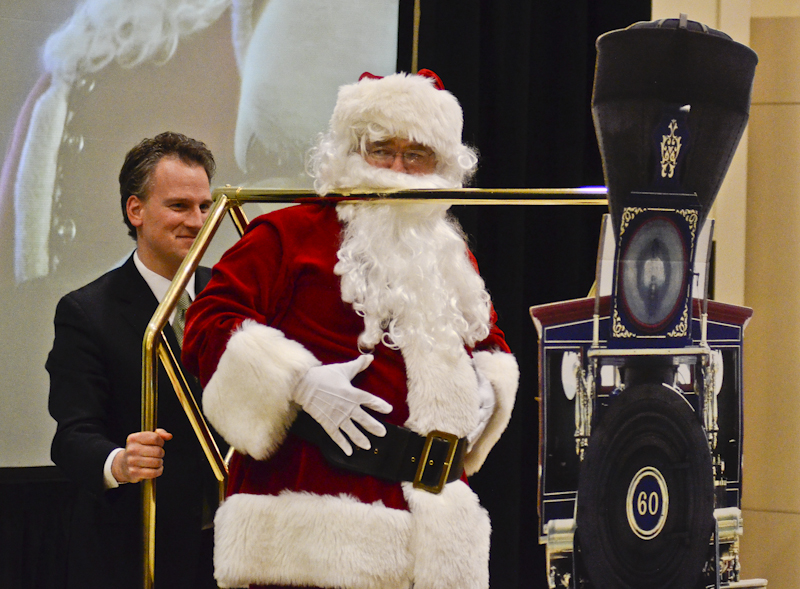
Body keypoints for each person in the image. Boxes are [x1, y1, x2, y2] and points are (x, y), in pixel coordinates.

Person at [182, 71, 519, 589]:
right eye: (382, 149)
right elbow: (208, 324)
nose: (398, 169)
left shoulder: (453, 256)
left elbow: (490, 341)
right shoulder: (288, 235)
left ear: (443, 166)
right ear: (348, 152)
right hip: (312, 532)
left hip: (437, 535)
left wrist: (489, 389)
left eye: (418, 155)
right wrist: (298, 383)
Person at [47, 131, 223, 589]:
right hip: (135, 549)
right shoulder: (86, 311)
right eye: (180, 206)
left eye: (205, 206)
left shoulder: (231, 292)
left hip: (231, 545)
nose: (198, 220)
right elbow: (71, 435)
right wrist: (119, 462)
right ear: (136, 210)